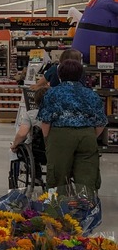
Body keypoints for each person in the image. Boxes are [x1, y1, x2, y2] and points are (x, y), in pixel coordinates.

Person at [37, 60, 107, 192]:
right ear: (81, 75)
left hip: (60, 136)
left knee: (58, 176)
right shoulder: (91, 94)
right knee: (87, 177)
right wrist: (90, 134)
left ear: (59, 75)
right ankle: (86, 207)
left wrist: (48, 139)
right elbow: (101, 122)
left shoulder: (52, 93)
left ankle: (57, 208)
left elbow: (45, 121)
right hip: (87, 136)